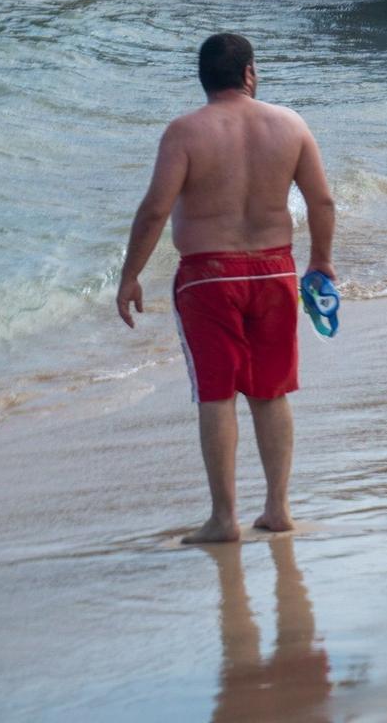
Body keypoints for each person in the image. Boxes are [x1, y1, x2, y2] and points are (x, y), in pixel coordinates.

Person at [116, 32, 336, 545]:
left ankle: (223, 518)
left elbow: (153, 210)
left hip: (209, 278)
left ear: (204, 78)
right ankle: (278, 509)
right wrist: (321, 262)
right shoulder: (290, 125)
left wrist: (130, 275)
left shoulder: (184, 132)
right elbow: (322, 202)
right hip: (275, 272)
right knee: (271, 390)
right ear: (250, 73)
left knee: (216, 395)